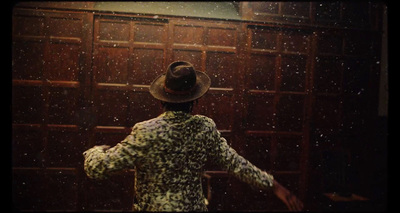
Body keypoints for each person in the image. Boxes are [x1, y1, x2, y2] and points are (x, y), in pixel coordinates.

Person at [83, 61, 304, 211]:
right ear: (195, 99)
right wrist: (274, 186)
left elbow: (97, 169)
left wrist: (95, 151)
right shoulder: (205, 127)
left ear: (162, 99)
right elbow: (236, 164)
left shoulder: (145, 131)